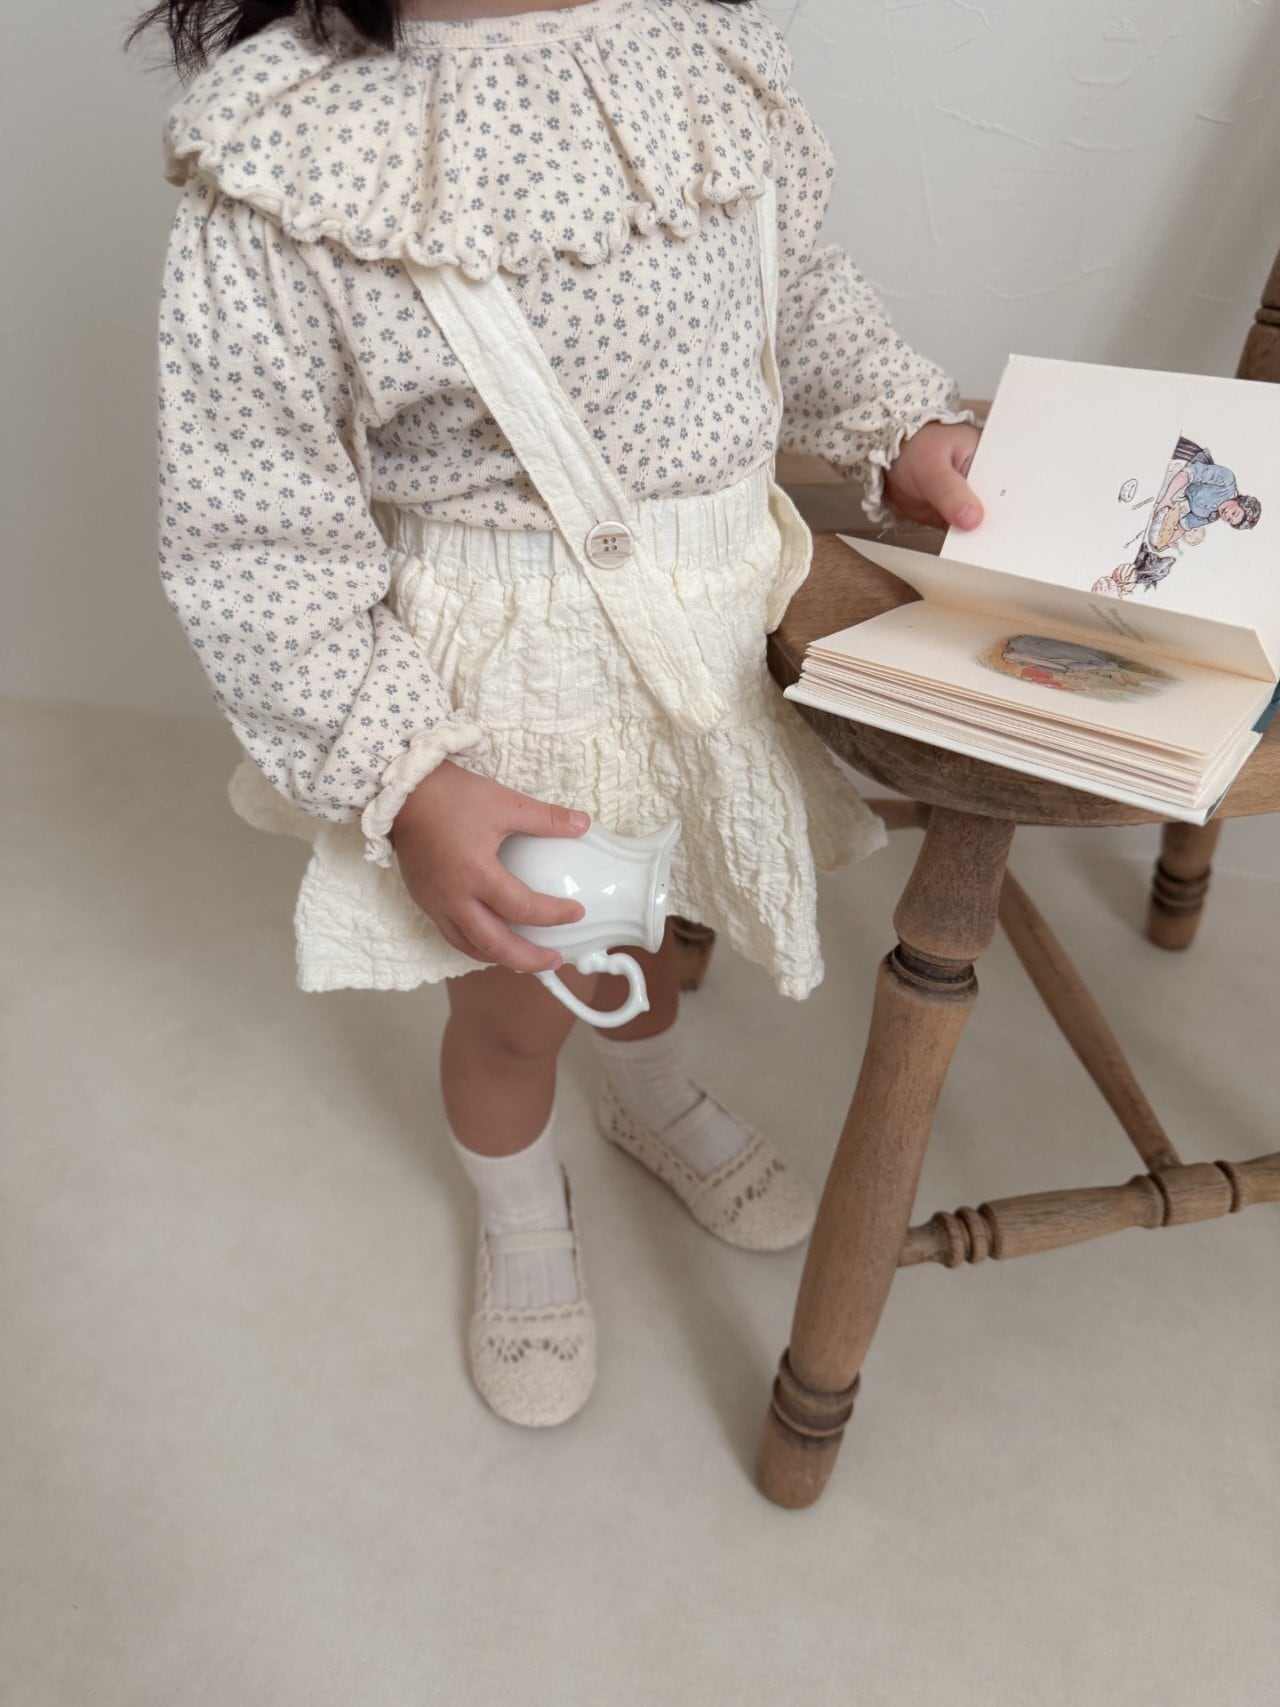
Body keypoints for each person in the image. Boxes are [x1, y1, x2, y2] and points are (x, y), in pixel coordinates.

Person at [135, 0, 983, 1428]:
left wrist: (897, 424)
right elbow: (258, 532)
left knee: (650, 921)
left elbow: (791, 287)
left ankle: (649, 1092)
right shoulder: (303, 153)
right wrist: (408, 775)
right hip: (510, 700)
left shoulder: (694, 57)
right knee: (518, 1003)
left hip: (708, 643)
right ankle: (523, 1204)